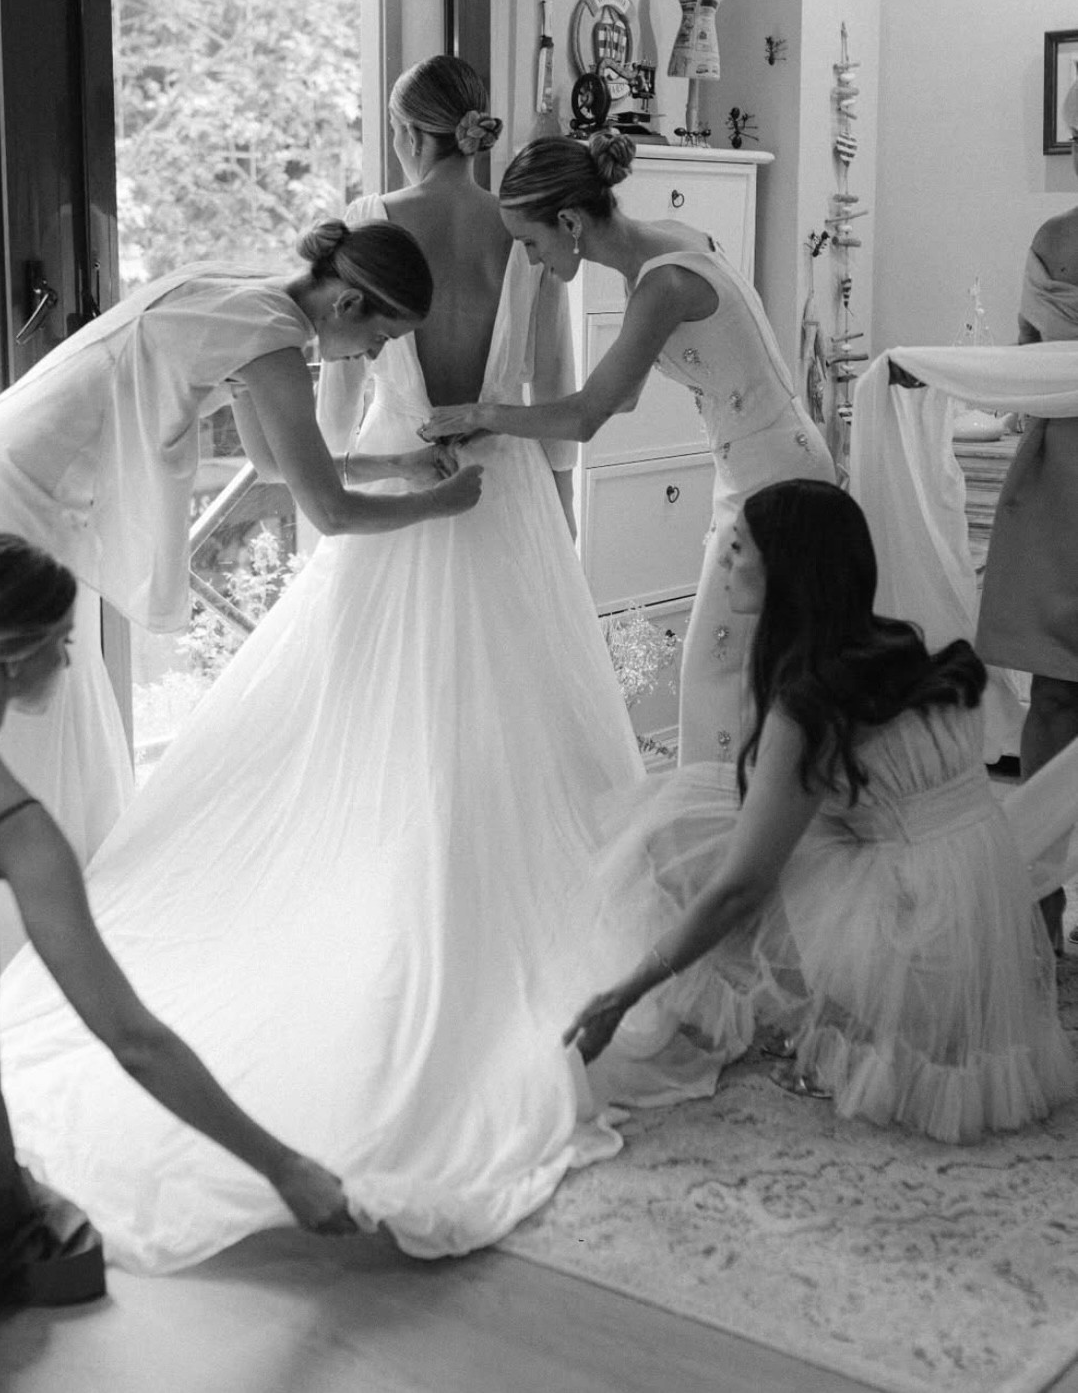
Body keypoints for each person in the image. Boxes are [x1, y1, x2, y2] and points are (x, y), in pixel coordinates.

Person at [0, 57, 646, 1272]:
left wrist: (394, 455)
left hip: (394, 492)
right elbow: (550, 398)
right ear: (476, 131)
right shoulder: (518, 223)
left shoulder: (362, 233)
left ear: (406, 129)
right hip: (497, 488)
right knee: (514, 730)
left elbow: (328, 442)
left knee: (361, 732)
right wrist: (497, 481)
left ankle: (374, 898)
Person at [0, 532, 358, 1342]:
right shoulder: (8, 818)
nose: (70, 660)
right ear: (17, 657)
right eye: (64, 641)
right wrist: (284, 1167)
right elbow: (133, 1038)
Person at [0, 219, 481, 865]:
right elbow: (330, 511)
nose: (375, 356)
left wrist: (400, 466)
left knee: (47, 674)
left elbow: (273, 465)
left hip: (3, 453)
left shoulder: (252, 294)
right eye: (381, 338)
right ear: (348, 302)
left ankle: (53, 863)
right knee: (17, 680)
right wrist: (438, 503)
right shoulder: (272, 339)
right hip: (24, 481)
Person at [563, 479, 1077, 1144]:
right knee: (714, 804)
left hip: (916, 954)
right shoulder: (901, 649)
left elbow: (739, 889)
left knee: (674, 836)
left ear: (785, 570)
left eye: (738, 548)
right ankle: (843, 1012)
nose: (724, 560)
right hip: (981, 926)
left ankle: (844, 1026)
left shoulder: (810, 703)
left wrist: (622, 994)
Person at [422, 129, 835, 766]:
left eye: (530, 243)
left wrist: (485, 413)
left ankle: (723, 815)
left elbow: (588, 416)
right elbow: (623, 398)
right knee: (753, 669)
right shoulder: (660, 250)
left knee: (717, 671)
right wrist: (504, 419)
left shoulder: (662, 286)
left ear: (569, 222)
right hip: (764, 466)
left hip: (775, 481)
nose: (531, 260)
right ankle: (751, 808)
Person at [976, 78, 1078, 952]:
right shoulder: (1052, 240)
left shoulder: (1056, 238)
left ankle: (1044, 910)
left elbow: (1027, 365)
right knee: (1054, 693)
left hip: (1060, 472)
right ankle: (1042, 907)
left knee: (1056, 697)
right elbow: (1025, 364)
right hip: (1060, 483)